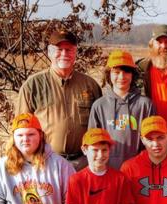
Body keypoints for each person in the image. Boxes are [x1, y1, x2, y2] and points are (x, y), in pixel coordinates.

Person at [16, 30, 102, 170]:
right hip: (45, 163)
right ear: (49, 52)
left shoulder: (90, 85)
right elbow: (21, 129)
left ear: (75, 53)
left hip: (83, 164)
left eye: (69, 50)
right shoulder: (32, 86)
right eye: (59, 49)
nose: (64, 54)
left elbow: (100, 128)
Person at [89, 50, 156, 169]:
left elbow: (151, 141)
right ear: (109, 74)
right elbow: (93, 142)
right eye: (116, 72)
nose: (121, 77)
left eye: (126, 72)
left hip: (138, 169)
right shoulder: (99, 106)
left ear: (132, 75)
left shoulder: (145, 104)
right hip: (107, 170)